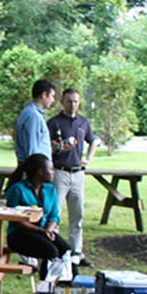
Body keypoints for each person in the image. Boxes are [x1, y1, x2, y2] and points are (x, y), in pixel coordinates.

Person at [4, 152, 73, 279]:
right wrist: (41, 231)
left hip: (43, 232)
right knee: (51, 251)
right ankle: (46, 288)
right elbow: (16, 219)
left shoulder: (50, 189)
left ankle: (72, 285)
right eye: (51, 169)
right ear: (41, 172)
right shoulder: (18, 189)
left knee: (67, 251)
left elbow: (54, 216)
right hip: (20, 234)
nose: (54, 172)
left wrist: (48, 230)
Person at [49, 88, 96, 262]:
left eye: (75, 101)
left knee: (78, 214)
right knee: (56, 212)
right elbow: (47, 146)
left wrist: (88, 159)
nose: (72, 104)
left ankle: (77, 251)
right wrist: (59, 147)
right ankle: (56, 250)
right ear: (62, 102)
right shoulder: (54, 123)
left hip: (78, 173)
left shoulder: (83, 122)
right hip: (60, 172)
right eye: (69, 101)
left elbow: (93, 141)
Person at [13, 79, 56, 166]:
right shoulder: (33, 116)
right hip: (35, 169)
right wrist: (35, 172)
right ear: (44, 95)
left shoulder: (32, 113)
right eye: (52, 96)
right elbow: (32, 148)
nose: (53, 100)